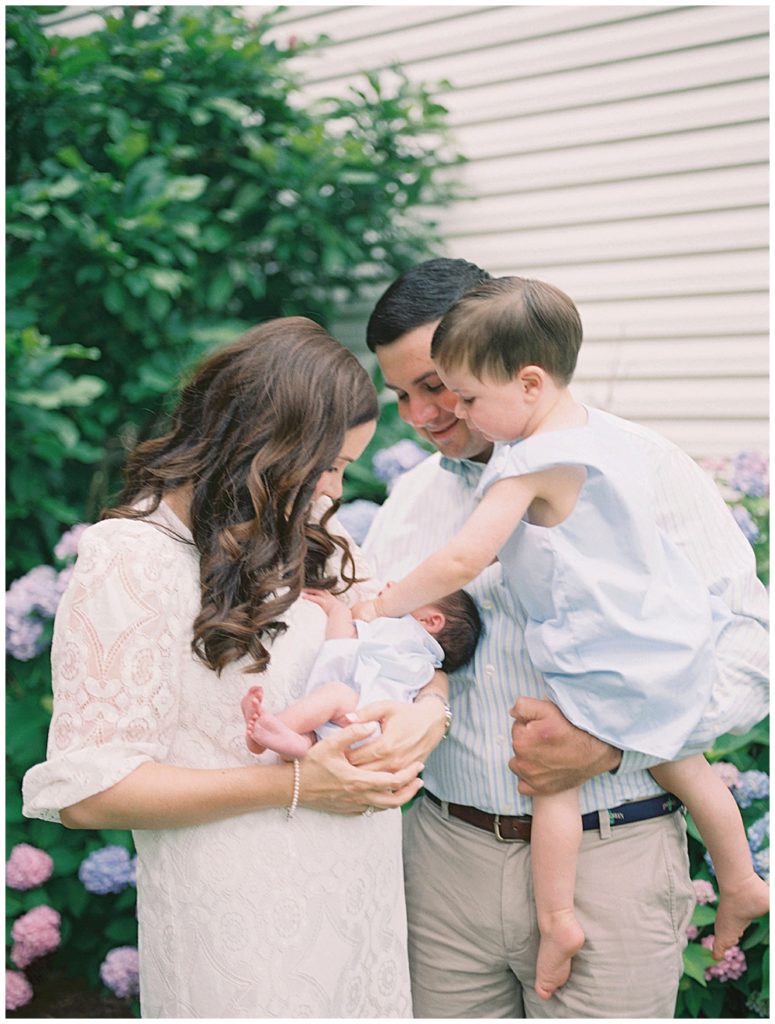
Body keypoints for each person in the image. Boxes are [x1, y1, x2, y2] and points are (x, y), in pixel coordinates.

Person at [356, 258, 769, 1019]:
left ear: (510, 368)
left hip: (611, 855)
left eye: (438, 386)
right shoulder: (410, 502)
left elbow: (750, 649)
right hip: (446, 859)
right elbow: (383, 652)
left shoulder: (642, 469)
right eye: (402, 395)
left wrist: (616, 744)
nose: (419, 415)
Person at [21, 317, 440, 1019]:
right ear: (262, 445)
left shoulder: (317, 536)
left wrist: (425, 715)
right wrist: (300, 783)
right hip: (239, 918)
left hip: (357, 895)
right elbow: (93, 789)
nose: (333, 490)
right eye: (326, 463)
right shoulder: (132, 556)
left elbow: (405, 648)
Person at [241, 586, 481, 758]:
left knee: (335, 694)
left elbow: (344, 644)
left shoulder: (405, 633)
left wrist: (338, 610)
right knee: (318, 736)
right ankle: (298, 745)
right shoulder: (423, 662)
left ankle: (269, 726)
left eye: (409, 591)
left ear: (430, 621)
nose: (391, 586)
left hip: (364, 716)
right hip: (372, 733)